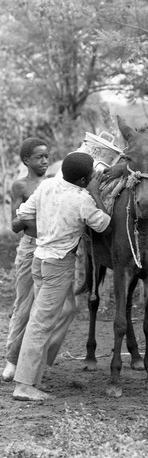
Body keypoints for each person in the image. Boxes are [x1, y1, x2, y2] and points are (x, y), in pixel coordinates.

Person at [11, 152, 111, 401]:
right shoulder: (83, 199)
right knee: (40, 323)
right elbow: (104, 224)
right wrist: (96, 193)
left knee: (44, 317)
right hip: (59, 265)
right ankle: (23, 385)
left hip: (39, 258)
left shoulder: (46, 185)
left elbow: (24, 212)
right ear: (85, 179)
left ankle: (32, 379)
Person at [2, 137, 49, 382]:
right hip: (30, 247)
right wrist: (33, 208)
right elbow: (14, 225)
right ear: (26, 161)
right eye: (39, 157)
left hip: (53, 249)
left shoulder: (55, 183)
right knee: (23, 306)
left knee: (49, 308)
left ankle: (36, 360)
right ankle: (12, 359)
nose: (45, 161)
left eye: (46, 156)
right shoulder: (20, 185)